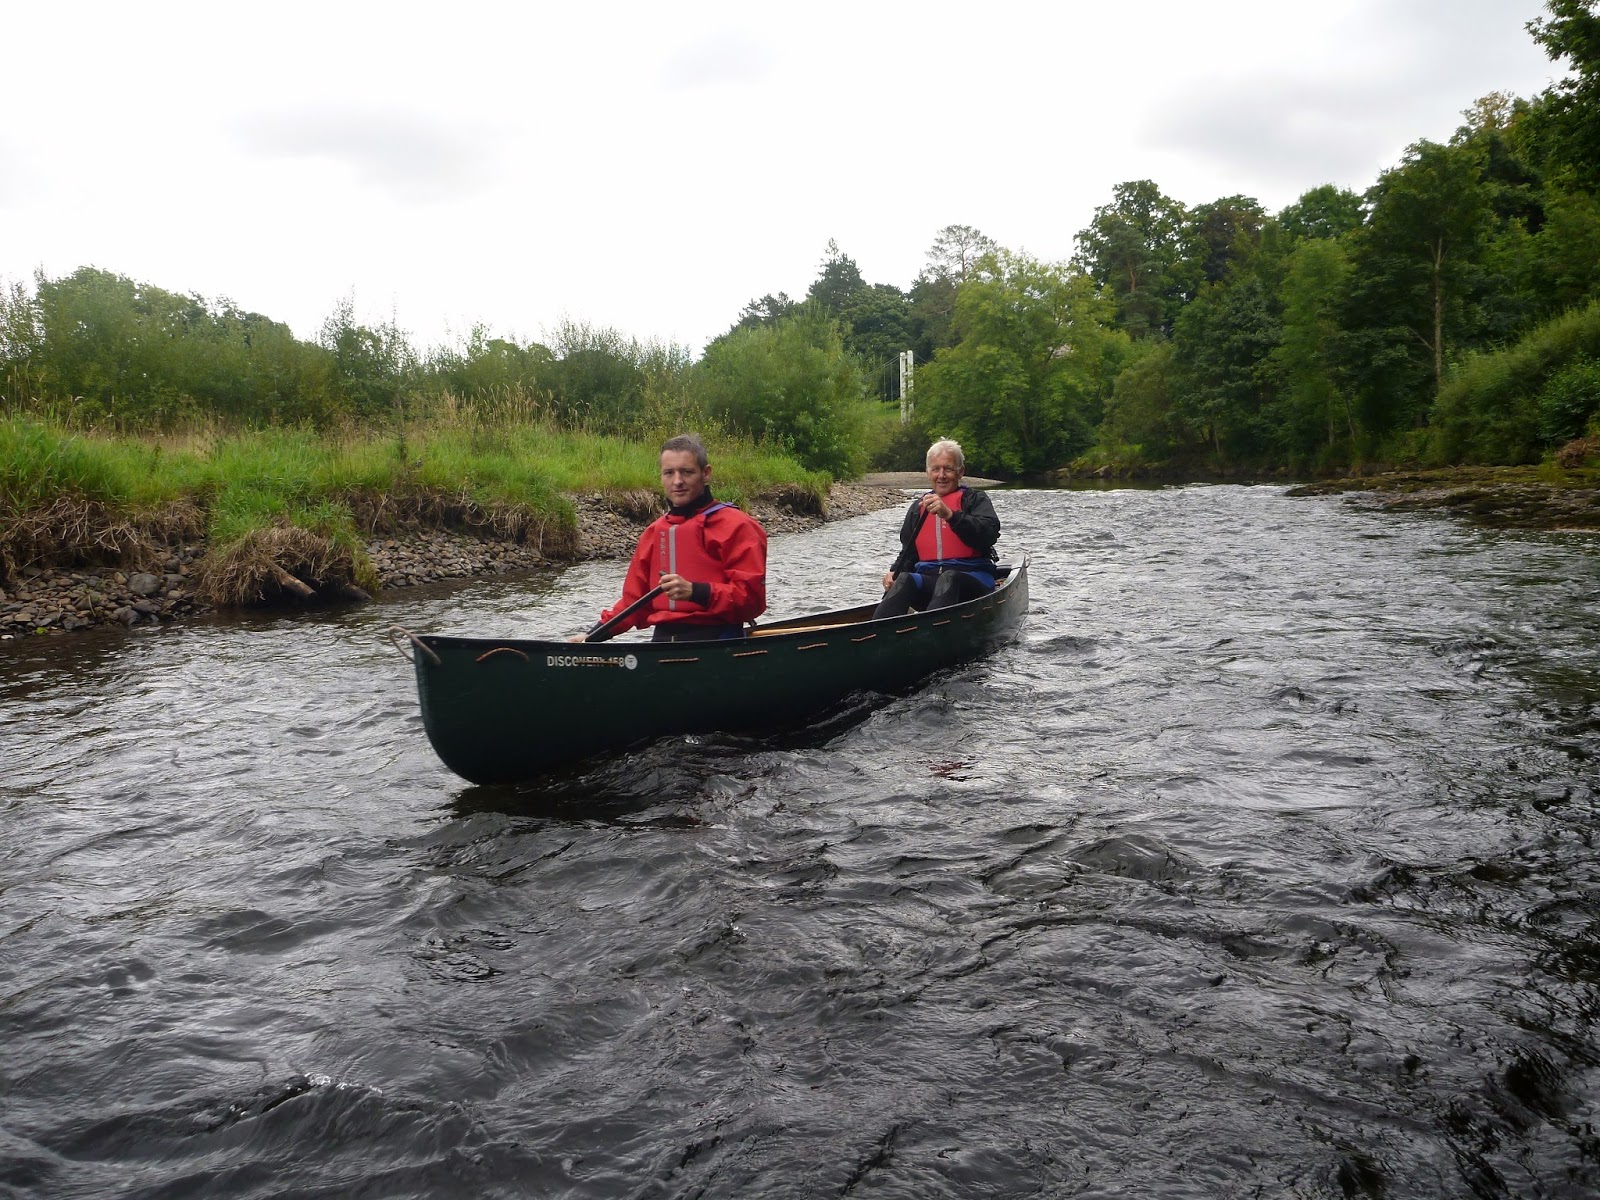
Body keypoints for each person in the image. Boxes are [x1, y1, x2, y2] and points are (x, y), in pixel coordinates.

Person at [582, 434, 768, 642]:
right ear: (662, 477)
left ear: (705, 474)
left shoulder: (738, 526)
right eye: (669, 473)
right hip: (662, 641)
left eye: (687, 472)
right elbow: (632, 602)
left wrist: (696, 591)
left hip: (718, 639)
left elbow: (751, 600)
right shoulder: (654, 532)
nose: (677, 481)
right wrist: (590, 637)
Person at [872, 438, 1000, 620]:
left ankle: (930, 635)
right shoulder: (918, 508)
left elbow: (988, 535)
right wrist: (895, 572)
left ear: (960, 472)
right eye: (936, 469)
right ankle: (875, 633)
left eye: (948, 469)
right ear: (928, 472)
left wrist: (950, 515)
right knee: (905, 579)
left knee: (949, 577)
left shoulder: (975, 500)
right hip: (929, 581)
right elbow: (908, 552)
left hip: (972, 580)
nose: (941, 475)